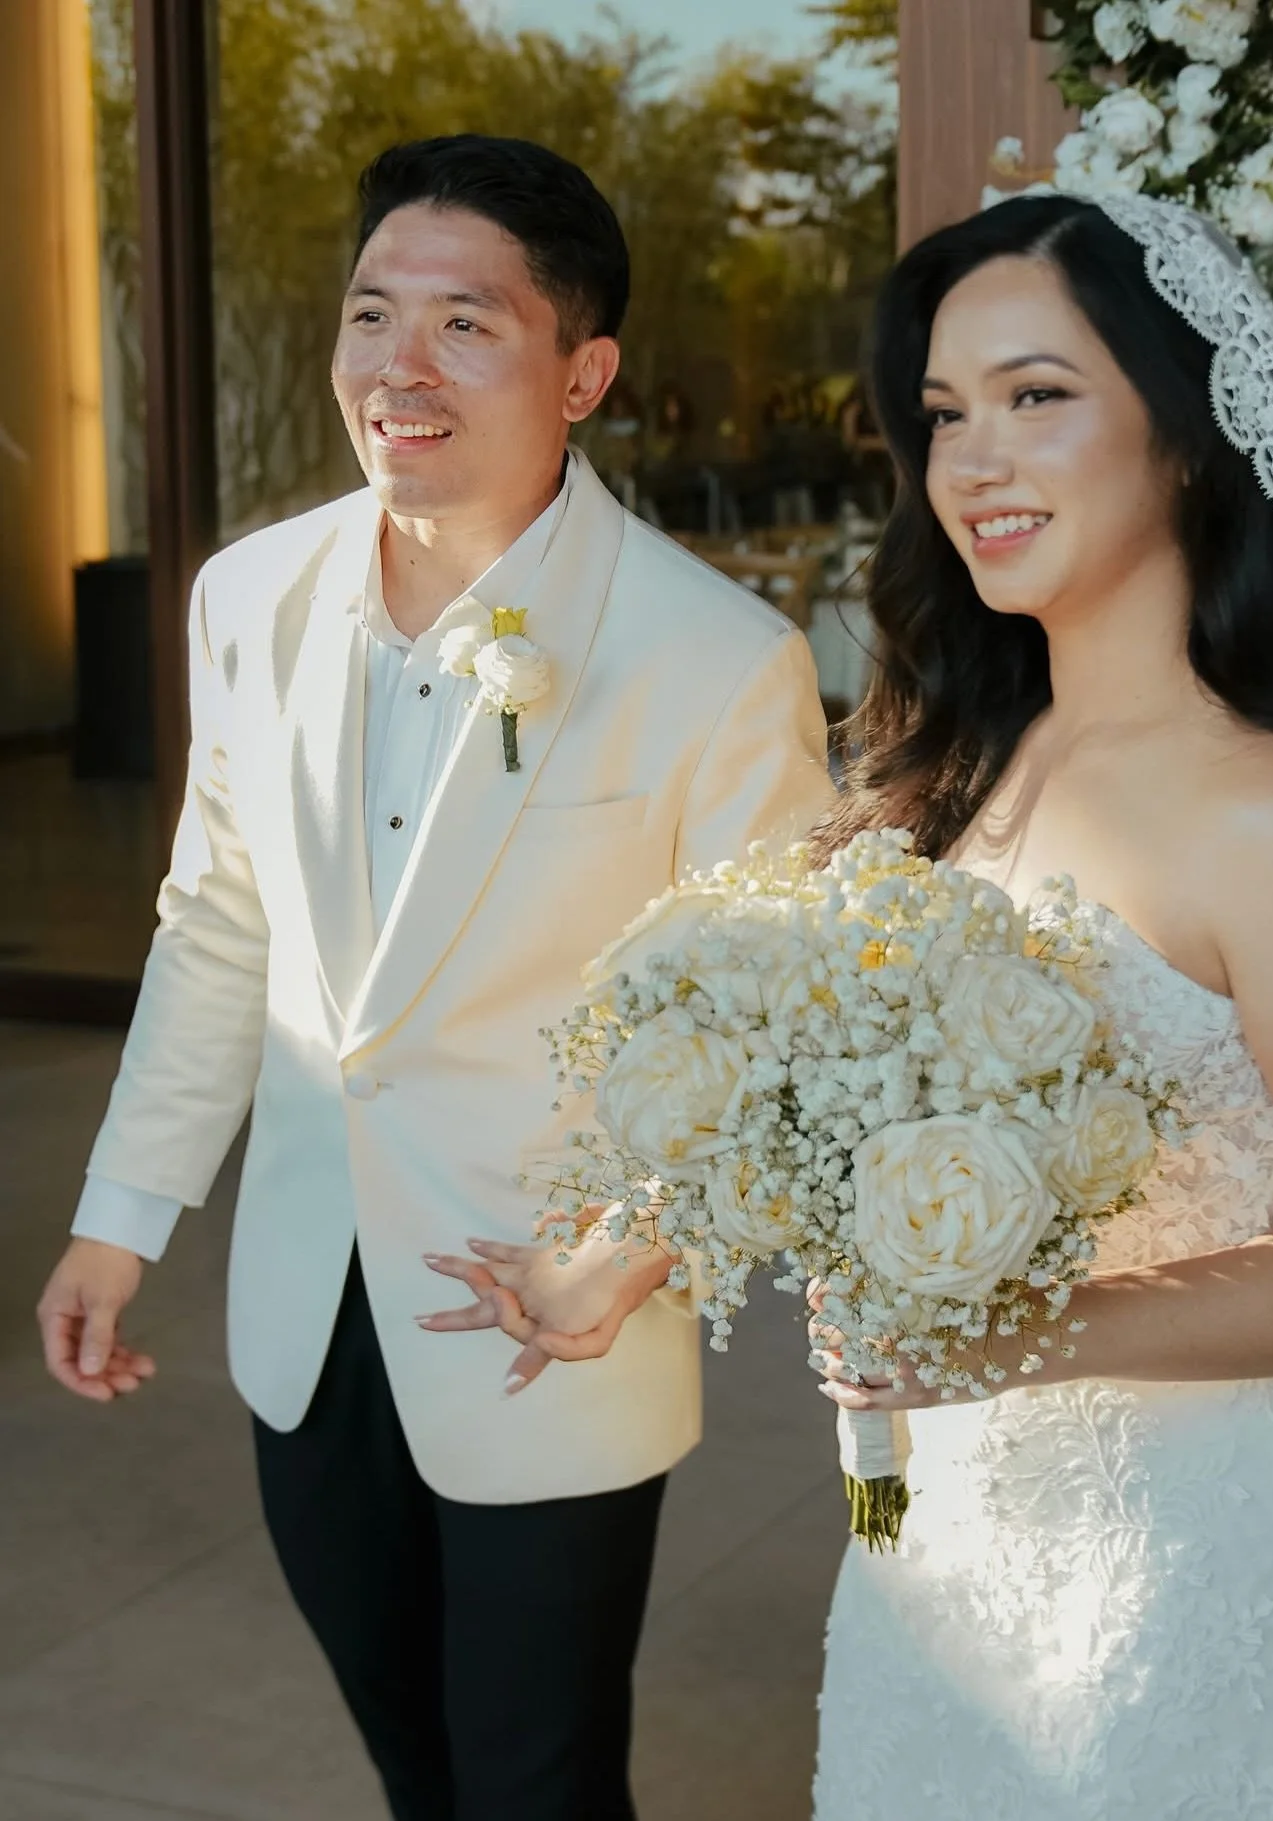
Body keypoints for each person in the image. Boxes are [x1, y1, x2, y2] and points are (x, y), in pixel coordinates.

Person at [35, 134, 833, 1821]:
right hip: (307, 1303)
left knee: (539, 1777)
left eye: (464, 324)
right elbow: (218, 920)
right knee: (412, 1760)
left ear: (582, 372)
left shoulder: (716, 658)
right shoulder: (249, 595)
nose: (397, 367)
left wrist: (625, 1261)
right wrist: (124, 1214)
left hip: (549, 1311)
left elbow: (767, 1030)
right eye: (369, 314)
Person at [808, 193, 1273, 1816]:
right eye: (942, 415)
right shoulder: (965, 762)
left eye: (1037, 396)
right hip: (945, 1534)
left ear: (1184, 439)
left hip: (1184, 1565)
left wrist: (1017, 1336)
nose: (972, 460)